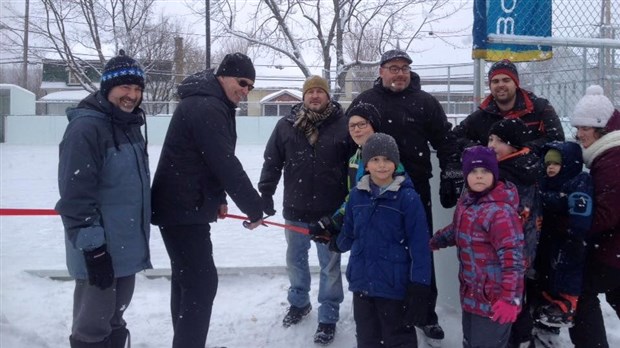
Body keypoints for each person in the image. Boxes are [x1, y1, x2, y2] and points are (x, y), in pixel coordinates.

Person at [150, 53, 266, 348]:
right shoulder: (207, 105)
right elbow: (224, 162)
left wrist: (218, 198)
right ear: (224, 76)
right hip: (181, 207)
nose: (245, 90)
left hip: (185, 205)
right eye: (242, 82)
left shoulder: (211, 102)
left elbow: (207, 160)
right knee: (201, 284)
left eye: (251, 87)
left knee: (189, 280)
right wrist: (254, 207)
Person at [348, 49, 463, 345]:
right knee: (376, 248)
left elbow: (445, 139)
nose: (400, 73)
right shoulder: (366, 101)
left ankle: (425, 312)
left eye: (404, 68)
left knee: (419, 250)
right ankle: (375, 303)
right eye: (393, 68)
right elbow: (346, 137)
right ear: (381, 71)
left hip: (413, 191)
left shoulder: (425, 103)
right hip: (372, 190)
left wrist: (451, 170)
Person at [55, 49, 151, 348]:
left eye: (137, 89)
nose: (131, 95)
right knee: (91, 329)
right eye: (125, 87)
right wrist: (94, 250)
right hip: (100, 251)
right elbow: (76, 196)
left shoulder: (129, 126)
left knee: (114, 320)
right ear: (108, 87)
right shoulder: (86, 129)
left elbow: (131, 186)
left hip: (126, 249)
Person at [258, 75, 350, 345]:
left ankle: (329, 315)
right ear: (304, 96)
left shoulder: (343, 126)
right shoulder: (286, 126)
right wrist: (266, 191)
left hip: (330, 213)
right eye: (311, 92)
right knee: (295, 260)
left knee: (330, 266)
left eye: (320, 91)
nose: (315, 96)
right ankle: (299, 303)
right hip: (295, 208)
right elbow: (272, 161)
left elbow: (352, 167)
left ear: (328, 96)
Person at [332, 133, 432, 347]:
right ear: (366, 164)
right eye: (375, 159)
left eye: (387, 159)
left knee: (398, 339)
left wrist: (420, 286)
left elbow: (420, 247)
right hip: (362, 284)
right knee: (367, 339)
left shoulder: (408, 199)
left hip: (394, 287)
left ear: (396, 164)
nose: (382, 165)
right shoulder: (357, 196)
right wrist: (335, 242)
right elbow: (350, 232)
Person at [430, 146, 525, 348]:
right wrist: (435, 241)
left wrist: (509, 299)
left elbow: (513, 259)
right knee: (471, 342)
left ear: (495, 174)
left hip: (495, 300)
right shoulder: (468, 203)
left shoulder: (500, 212)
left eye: (485, 171)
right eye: (473, 172)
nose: (479, 176)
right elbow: (457, 230)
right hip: (472, 295)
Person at [568, 85, 620, 348]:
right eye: (577, 128)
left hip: (612, 250)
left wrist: (572, 224)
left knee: (580, 290)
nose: (579, 134)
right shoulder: (608, 155)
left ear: (602, 129)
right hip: (614, 249)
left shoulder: (612, 159)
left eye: (585, 128)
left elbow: (606, 215)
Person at [487, 118, 544, 347]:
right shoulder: (523, 167)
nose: (491, 145)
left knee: (509, 304)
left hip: (510, 255)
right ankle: (520, 337)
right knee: (517, 301)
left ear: (516, 146)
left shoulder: (508, 175)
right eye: (490, 139)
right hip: (523, 253)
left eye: (499, 141)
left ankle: (515, 339)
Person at [534, 141, 593, 329]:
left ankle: (566, 305)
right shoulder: (545, 182)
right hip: (549, 236)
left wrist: (577, 234)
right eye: (548, 164)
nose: (550, 168)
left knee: (566, 271)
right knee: (548, 272)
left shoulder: (579, 181)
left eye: (556, 164)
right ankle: (550, 308)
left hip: (569, 238)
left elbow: (579, 208)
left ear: (569, 164)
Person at [452, 59, 565, 155]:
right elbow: (454, 137)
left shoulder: (540, 108)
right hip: (494, 175)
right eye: (495, 81)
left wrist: (522, 150)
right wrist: (480, 150)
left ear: (516, 83)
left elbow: (557, 139)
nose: (500, 85)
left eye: (506, 80)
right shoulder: (482, 115)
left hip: (533, 173)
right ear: (490, 86)